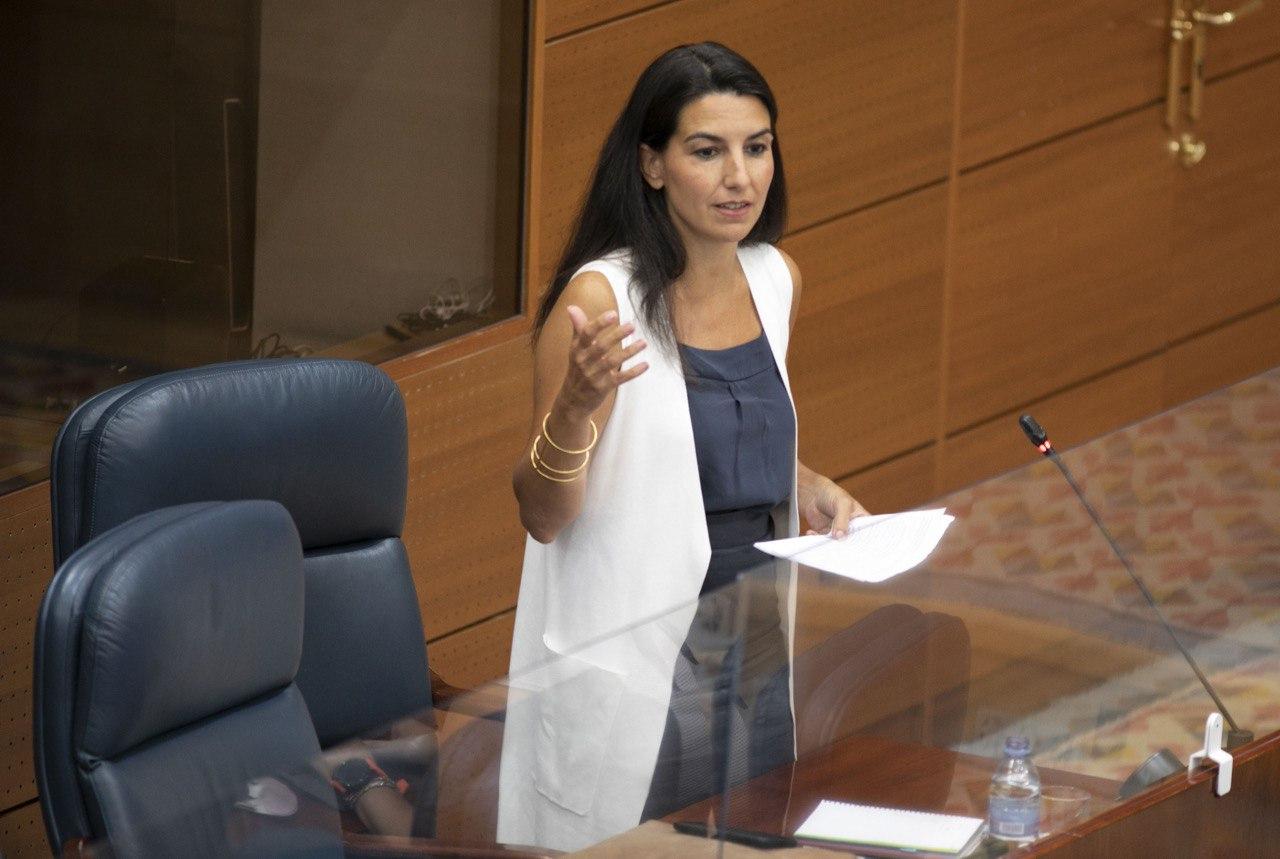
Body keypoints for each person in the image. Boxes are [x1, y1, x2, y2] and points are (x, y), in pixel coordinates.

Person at [498, 42, 868, 851]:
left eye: (757, 147)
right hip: (645, 653)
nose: (740, 176)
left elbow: (699, 435)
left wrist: (806, 481)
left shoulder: (774, 278)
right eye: (708, 151)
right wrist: (576, 406)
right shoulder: (601, 298)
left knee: (754, 841)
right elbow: (543, 514)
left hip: (755, 642)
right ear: (652, 165)